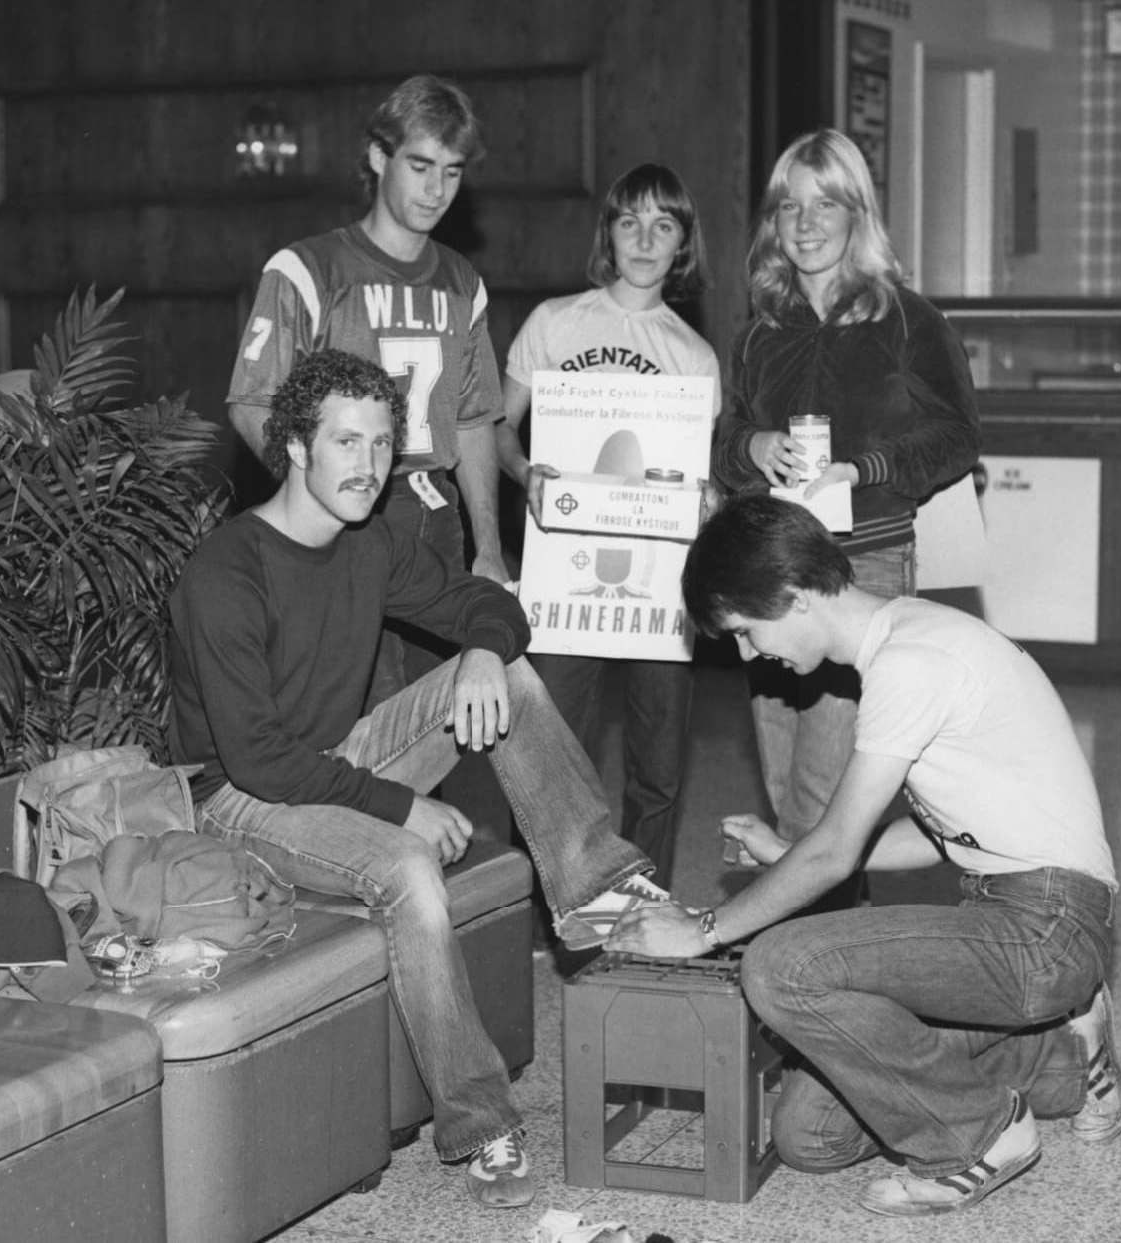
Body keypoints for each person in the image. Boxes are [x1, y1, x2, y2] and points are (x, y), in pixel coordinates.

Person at [169, 349, 671, 1208]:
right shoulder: (226, 572)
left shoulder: (371, 542)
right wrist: (401, 806)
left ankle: (591, 884)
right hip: (239, 801)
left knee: (508, 675)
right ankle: (481, 1123)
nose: (366, 465)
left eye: (380, 444)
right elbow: (256, 758)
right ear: (295, 446)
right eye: (344, 442)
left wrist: (479, 648)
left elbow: (495, 605)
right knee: (410, 871)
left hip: (336, 755)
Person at [608, 494, 1121, 1217]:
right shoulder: (909, 639)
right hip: (1012, 918)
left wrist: (702, 929)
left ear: (791, 597)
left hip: (1045, 928)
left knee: (780, 965)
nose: (747, 653)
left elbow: (835, 852)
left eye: (743, 629)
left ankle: (979, 1133)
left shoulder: (911, 662)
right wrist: (794, 850)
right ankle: (1066, 1056)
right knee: (808, 1138)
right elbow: (939, 835)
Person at [711, 129, 981, 854]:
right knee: (781, 778)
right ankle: (809, 946)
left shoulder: (906, 319)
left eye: (825, 203)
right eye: (789, 206)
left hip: (863, 566)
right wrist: (751, 446)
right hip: (772, 568)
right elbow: (722, 439)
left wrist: (864, 469)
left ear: (857, 212)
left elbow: (957, 435)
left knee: (824, 797)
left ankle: (808, 953)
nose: (805, 223)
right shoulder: (759, 331)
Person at [227, 73, 508, 701]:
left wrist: (489, 547)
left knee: (438, 719)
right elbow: (253, 403)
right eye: (420, 165)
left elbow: (472, 418)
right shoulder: (308, 268)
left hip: (435, 514)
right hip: (345, 517)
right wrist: (318, 501)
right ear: (379, 156)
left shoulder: (463, 281)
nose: (437, 190)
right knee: (353, 715)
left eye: (454, 171)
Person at [496, 163, 720, 885]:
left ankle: (638, 897)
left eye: (664, 224)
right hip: (564, 569)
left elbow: (697, 475)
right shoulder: (554, 322)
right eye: (630, 222)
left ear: (683, 241)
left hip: (661, 581)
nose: (645, 239)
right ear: (608, 234)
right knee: (548, 753)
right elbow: (498, 430)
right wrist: (525, 473)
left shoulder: (693, 355)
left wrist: (708, 498)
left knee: (657, 767)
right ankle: (541, 901)